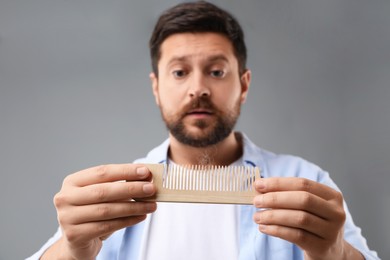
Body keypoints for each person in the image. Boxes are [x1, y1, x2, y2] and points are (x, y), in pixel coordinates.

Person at [29, 1, 379, 260]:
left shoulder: (306, 182)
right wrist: (72, 250)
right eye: (180, 72)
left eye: (216, 71)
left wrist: (337, 253)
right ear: (156, 87)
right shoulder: (112, 195)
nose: (198, 88)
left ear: (244, 84)